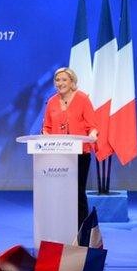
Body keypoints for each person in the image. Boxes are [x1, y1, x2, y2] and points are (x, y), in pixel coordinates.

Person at [42, 66, 98, 226]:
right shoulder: (51, 101)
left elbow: (92, 125)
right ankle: (61, 226)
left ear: (72, 82)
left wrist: (93, 134)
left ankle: (81, 229)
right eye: (57, 80)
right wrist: (45, 136)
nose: (60, 83)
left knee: (78, 192)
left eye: (64, 80)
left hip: (80, 153)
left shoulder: (82, 99)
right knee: (59, 191)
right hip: (57, 154)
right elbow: (46, 127)